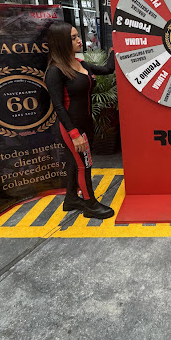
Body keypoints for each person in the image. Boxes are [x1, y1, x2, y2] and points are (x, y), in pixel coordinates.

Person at [45, 22, 116, 219]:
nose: (79, 40)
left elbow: (108, 69)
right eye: (73, 38)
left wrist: (115, 49)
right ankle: (90, 205)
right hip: (72, 128)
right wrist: (74, 134)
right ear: (61, 42)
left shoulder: (81, 64)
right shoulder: (55, 71)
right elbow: (58, 106)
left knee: (74, 164)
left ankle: (71, 199)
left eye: (78, 36)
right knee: (84, 165)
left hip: (86, 123)